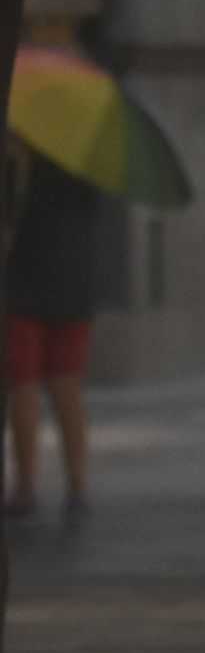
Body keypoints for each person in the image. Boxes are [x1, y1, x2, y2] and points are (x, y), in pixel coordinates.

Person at [4, 147, 101, 523]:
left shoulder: (23, 163)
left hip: (26, 288)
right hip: (75, 288)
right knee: (66, 386)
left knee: (23, 385)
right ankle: (77, 488)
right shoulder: (89, 161)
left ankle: (24, 487)